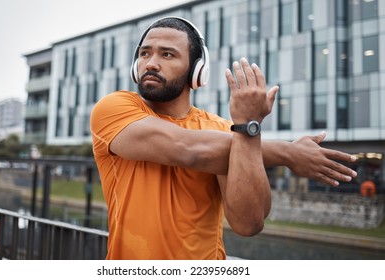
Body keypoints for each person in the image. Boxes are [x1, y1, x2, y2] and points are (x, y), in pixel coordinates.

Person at [90, 17, 357, 260]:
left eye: (167, 54)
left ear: (196, 71)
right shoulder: (114, 108)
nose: (150, 62)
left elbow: (248, 223)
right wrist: (287, 152)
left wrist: (247, 126)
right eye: (144, 53)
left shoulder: (226, 131)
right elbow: (186, 148)